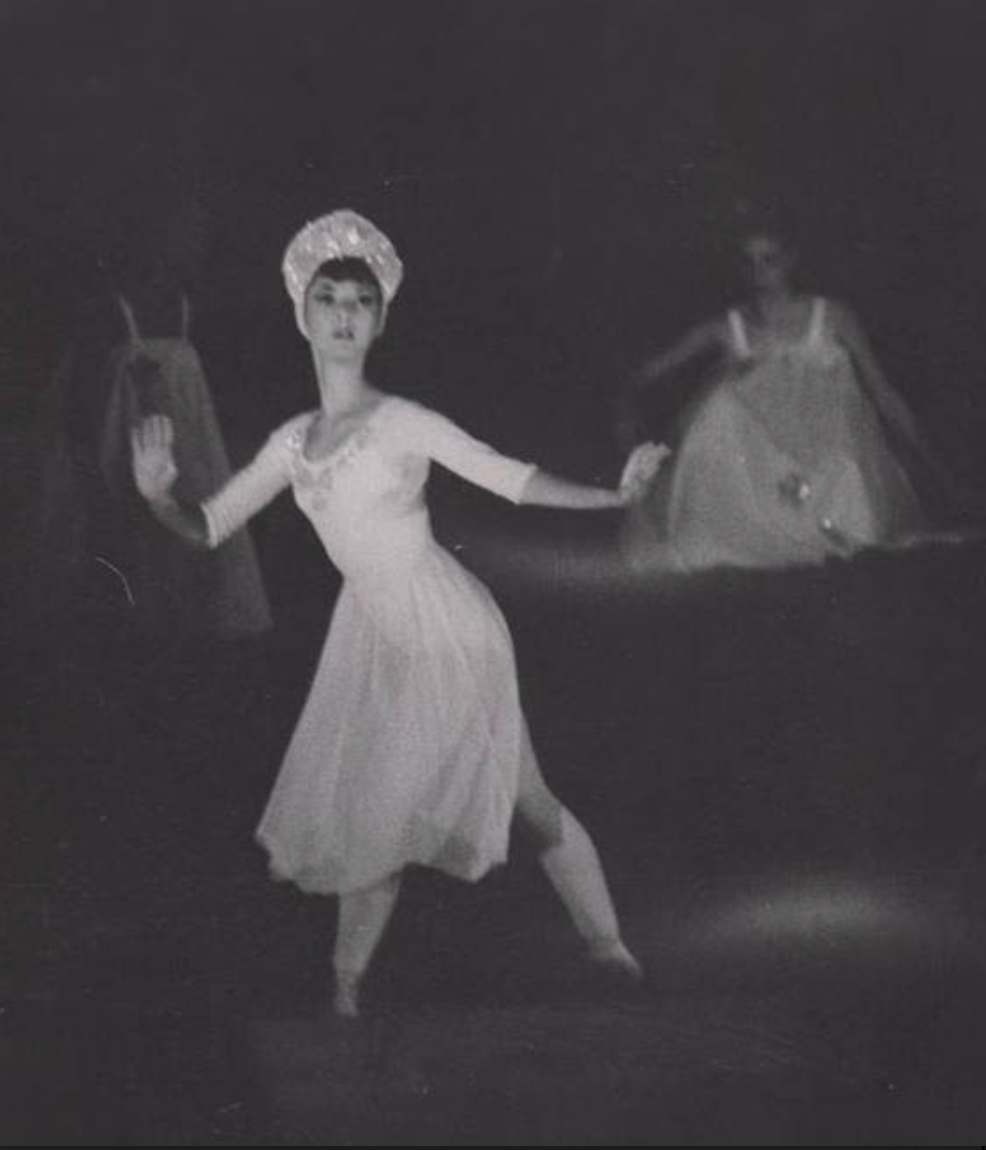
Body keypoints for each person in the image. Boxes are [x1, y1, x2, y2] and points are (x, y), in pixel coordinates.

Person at [131, 209, 660, 1017]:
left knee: (492, 803)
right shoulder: (290, 442)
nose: (344, 314)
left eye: (360, 302)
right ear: (302, 312)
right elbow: (208, 527)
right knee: (424, 806)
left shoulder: (402, 422)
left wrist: (614, 497)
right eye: (329, 297)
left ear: (379, 321)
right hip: (373, 634)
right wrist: (160, 497)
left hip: (448, 631)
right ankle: (348, 992)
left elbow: (508, 477)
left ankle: (604, 947)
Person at [615, 224, 951, 572]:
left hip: (827, 449)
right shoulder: (730, 325)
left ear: (791, 260)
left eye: (769, 259)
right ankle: (747, 532)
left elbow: (881, 390)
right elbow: (649, 372)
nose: (760, 271)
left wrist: (932, 464)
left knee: (847, 484)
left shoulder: (831, 314)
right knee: (721, 404)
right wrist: (626, 407)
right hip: (761, 461)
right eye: (749, 262)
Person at [40, 203, 272, 639]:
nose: (192, 248)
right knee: (133, 562)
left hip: (188, 459)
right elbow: (82, 404)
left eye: (198, 238)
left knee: (187, 557)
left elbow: (201, 400)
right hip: (123, 457)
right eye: (183, 236)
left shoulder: (186, 309)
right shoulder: (112, 312)